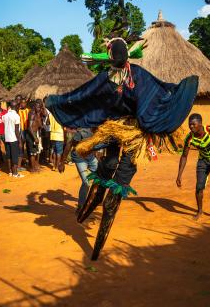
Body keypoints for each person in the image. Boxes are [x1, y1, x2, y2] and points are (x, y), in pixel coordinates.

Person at [46, 37, 199, 260]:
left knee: (113, 178)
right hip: (118, 129)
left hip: (131, 133)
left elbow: (82, 95)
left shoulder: (123, 77)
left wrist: (58, 101)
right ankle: (89, 214)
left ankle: (95, 243)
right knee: (110, 171)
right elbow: (84, 94)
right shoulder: (120, 76)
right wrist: (58, 102)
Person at [59, 128, 98, 212]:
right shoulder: (82, 133)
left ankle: (93, 200)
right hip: (80, 158)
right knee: (86, 182)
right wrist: (62, 162)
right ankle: (81, 205)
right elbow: (69, 144)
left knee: (100, 178)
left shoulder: (100, 132)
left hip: (91, 157)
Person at [3, 101, 24, 178]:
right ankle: (15, 173)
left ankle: (10, 172)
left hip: (7, 138)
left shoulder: (5, 116)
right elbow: (16, 130)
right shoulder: (16, 116)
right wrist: (20, 141)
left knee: (8, 156)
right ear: (16, 107)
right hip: (14, 139)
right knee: (15, 156)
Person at [26, 101, 43, 172]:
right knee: (32, 153)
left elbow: (39, 125)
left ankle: (34, 166)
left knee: (35, 152)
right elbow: (30, 127)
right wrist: (35, 138)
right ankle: (32, 168)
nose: (39, 109)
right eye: (37, 107)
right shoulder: (32, 113)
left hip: (35, 134)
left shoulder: (36, 113)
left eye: (40, 107)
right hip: (31, 135)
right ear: (34, 106)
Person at [17, 98, 30, 170]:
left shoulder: (29, 111)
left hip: (28, 131)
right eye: (22, 103)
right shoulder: (18, 111)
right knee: (21, 147)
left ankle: (29, 162)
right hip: (21, 131)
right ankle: (19, 165)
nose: (23, 104)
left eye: (24, 103)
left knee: (28, 146)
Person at [0, 100, 8, 166]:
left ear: (0, 105)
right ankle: (0, 158)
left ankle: (8, 157)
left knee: (7, 145)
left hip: (5, 132)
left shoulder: (6, 112)